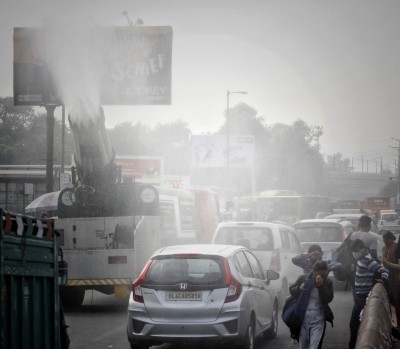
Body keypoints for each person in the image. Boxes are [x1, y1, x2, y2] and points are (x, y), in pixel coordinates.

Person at [348, 239, 389, 349]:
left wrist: (383, 281)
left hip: (363, 296)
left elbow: (384, 271)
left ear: (362, 248)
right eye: (353, 251)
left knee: (354, 323)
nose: (354, 253)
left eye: (356, 250)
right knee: (359, 322)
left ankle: (352, 346)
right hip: (359, 295)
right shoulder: (361, 259)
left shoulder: (367, 259)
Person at [289, 260, 334, 349]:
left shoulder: (328, 282)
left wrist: (321, 287)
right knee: (303, 346)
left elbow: (328, 299)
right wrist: (299, 288)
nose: (320, 277)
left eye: (324, 275)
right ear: (313, 272)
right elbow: (291, 290)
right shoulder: (303, 278)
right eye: (318, 274)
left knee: (315, 346)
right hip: (303, 318)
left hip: (319, 319)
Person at [381, 230, 400, 327]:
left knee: (397, 302)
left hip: (396, 279)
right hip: (387, 279)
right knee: (389, 302)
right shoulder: (384, 248)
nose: (384, 242)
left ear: (390, 239)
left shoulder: (396, 248)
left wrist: (387, 264)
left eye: (385, 240)